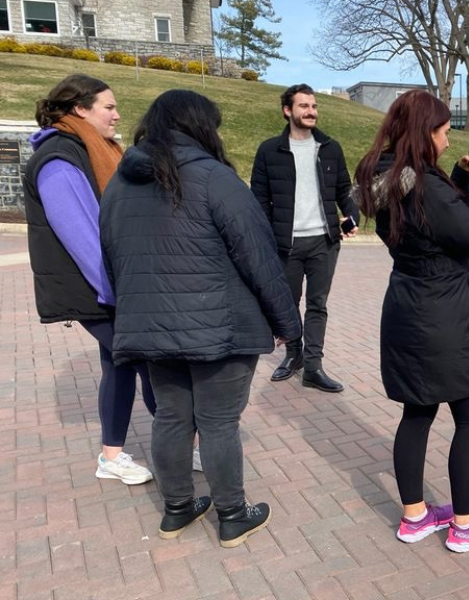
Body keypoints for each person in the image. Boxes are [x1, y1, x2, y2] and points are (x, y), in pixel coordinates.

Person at [100, 89, 301, 547]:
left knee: (171, 417)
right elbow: (260, 259)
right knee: (217, 421)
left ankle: (177, 509)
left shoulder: (120, 182)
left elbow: (111, 257)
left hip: (152, 327)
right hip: (220, 327)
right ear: (199, 127)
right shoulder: (215, 178)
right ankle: (232, 514)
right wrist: (289, 326)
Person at [354, 90, 469, 553]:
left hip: (406, 307)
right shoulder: (426, 186)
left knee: (418, 410)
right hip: (441, 314)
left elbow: (438, 221)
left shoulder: (387, 177)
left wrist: (459, 176)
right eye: (444, 133)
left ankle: (415, 516)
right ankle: (465, 526)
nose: (447, 142)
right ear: (426, 133)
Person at [22, 74, 156, 485]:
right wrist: (123, 292)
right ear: (80, 109)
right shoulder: (59, 158)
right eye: (109, 107)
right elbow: (81, 237)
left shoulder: (96, 149)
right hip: (96, 287)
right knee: (151, 359)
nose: (117, 115)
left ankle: (111, 457)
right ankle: (180, 442)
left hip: (109, 285)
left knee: (120, 364)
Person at [251, 84, 358, 393]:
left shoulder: (330, 147)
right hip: (287, 244)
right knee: (289, 303)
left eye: (313, 106)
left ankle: (313, 367)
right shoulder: (269, 150)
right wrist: (266, 237)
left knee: (317, 304)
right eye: (304, 106)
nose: (311, 111)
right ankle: (293, 355)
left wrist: (352, 216)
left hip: (324, 242)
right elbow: (257, 200)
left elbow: (344, 189)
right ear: (288, 111)